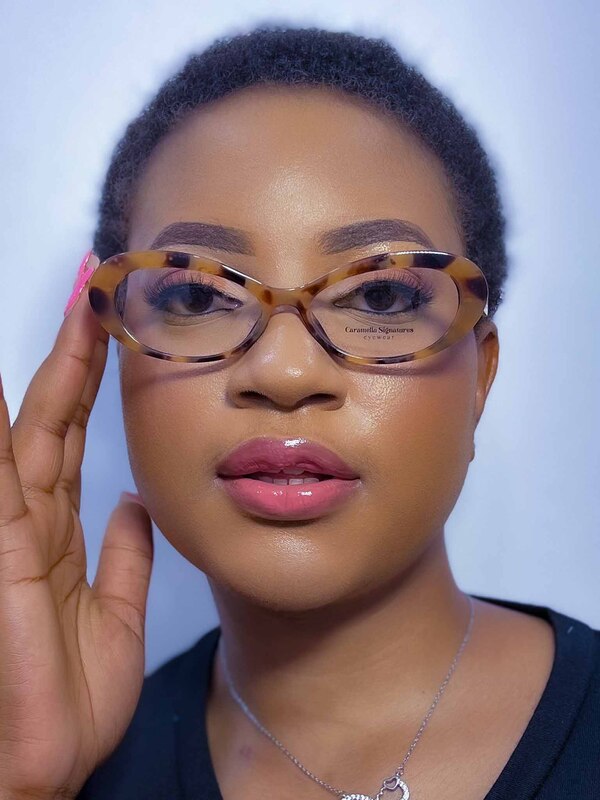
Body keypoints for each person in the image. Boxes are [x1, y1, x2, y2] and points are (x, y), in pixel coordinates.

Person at [0, 24, 598, 800]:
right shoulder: (65, 764)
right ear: (110, 357)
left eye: (379, 296)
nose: (284, 372)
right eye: (197, 297)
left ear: (479, 379)